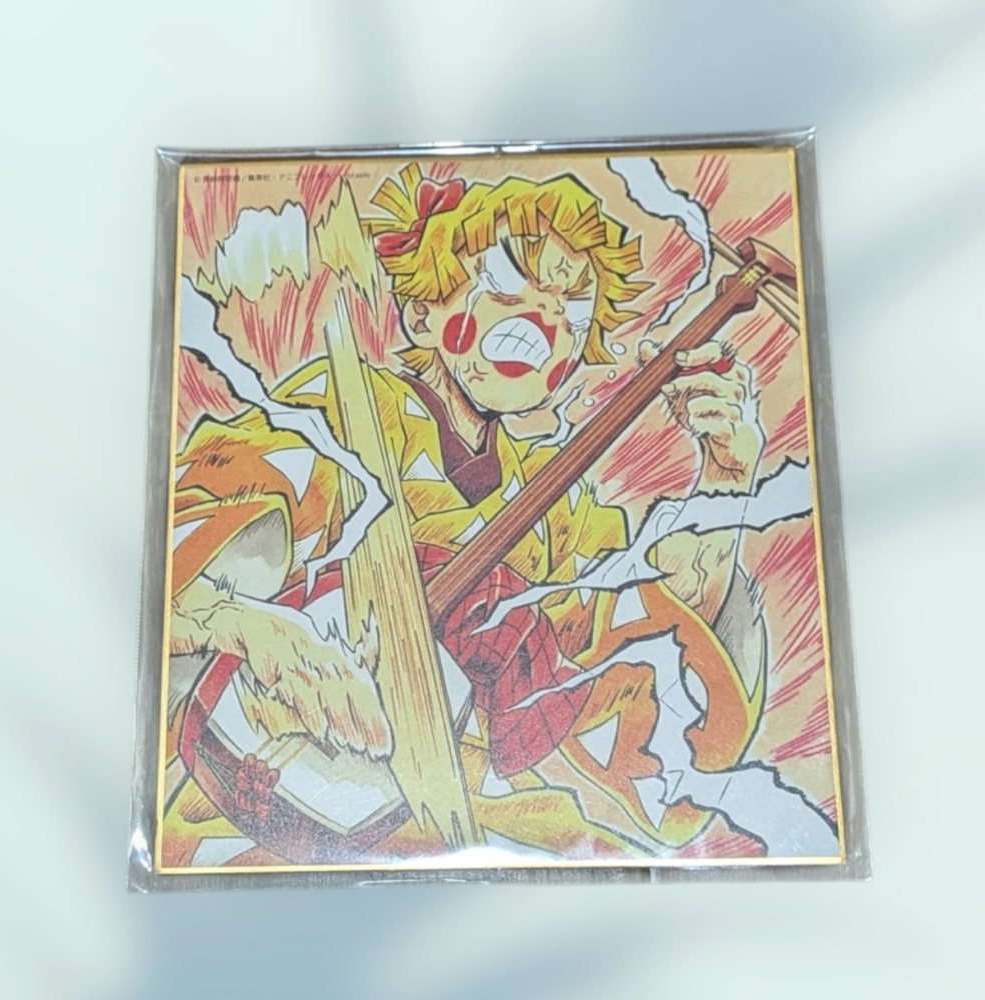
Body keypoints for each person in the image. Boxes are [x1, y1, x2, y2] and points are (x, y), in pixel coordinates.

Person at [164, 165, 767, 862]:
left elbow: (645, 649)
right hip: (260, 784)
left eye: (571, 316)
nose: (543, 325)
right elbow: (179, 570)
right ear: (423, 312)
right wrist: (261, 630)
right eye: (509, 284)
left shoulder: (561, 509)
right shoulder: (338, 410)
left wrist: (726, 481)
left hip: (456, 821)